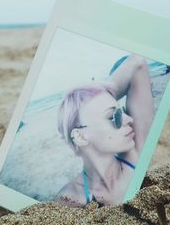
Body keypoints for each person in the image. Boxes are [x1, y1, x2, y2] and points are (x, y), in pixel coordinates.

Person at [54, 54, 154, 207]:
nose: (129, 120)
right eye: (113, 116)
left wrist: (98, 92)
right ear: (80, 136)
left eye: (121, 111)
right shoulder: (68, 199)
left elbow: (137, 64)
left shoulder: (136, 154)